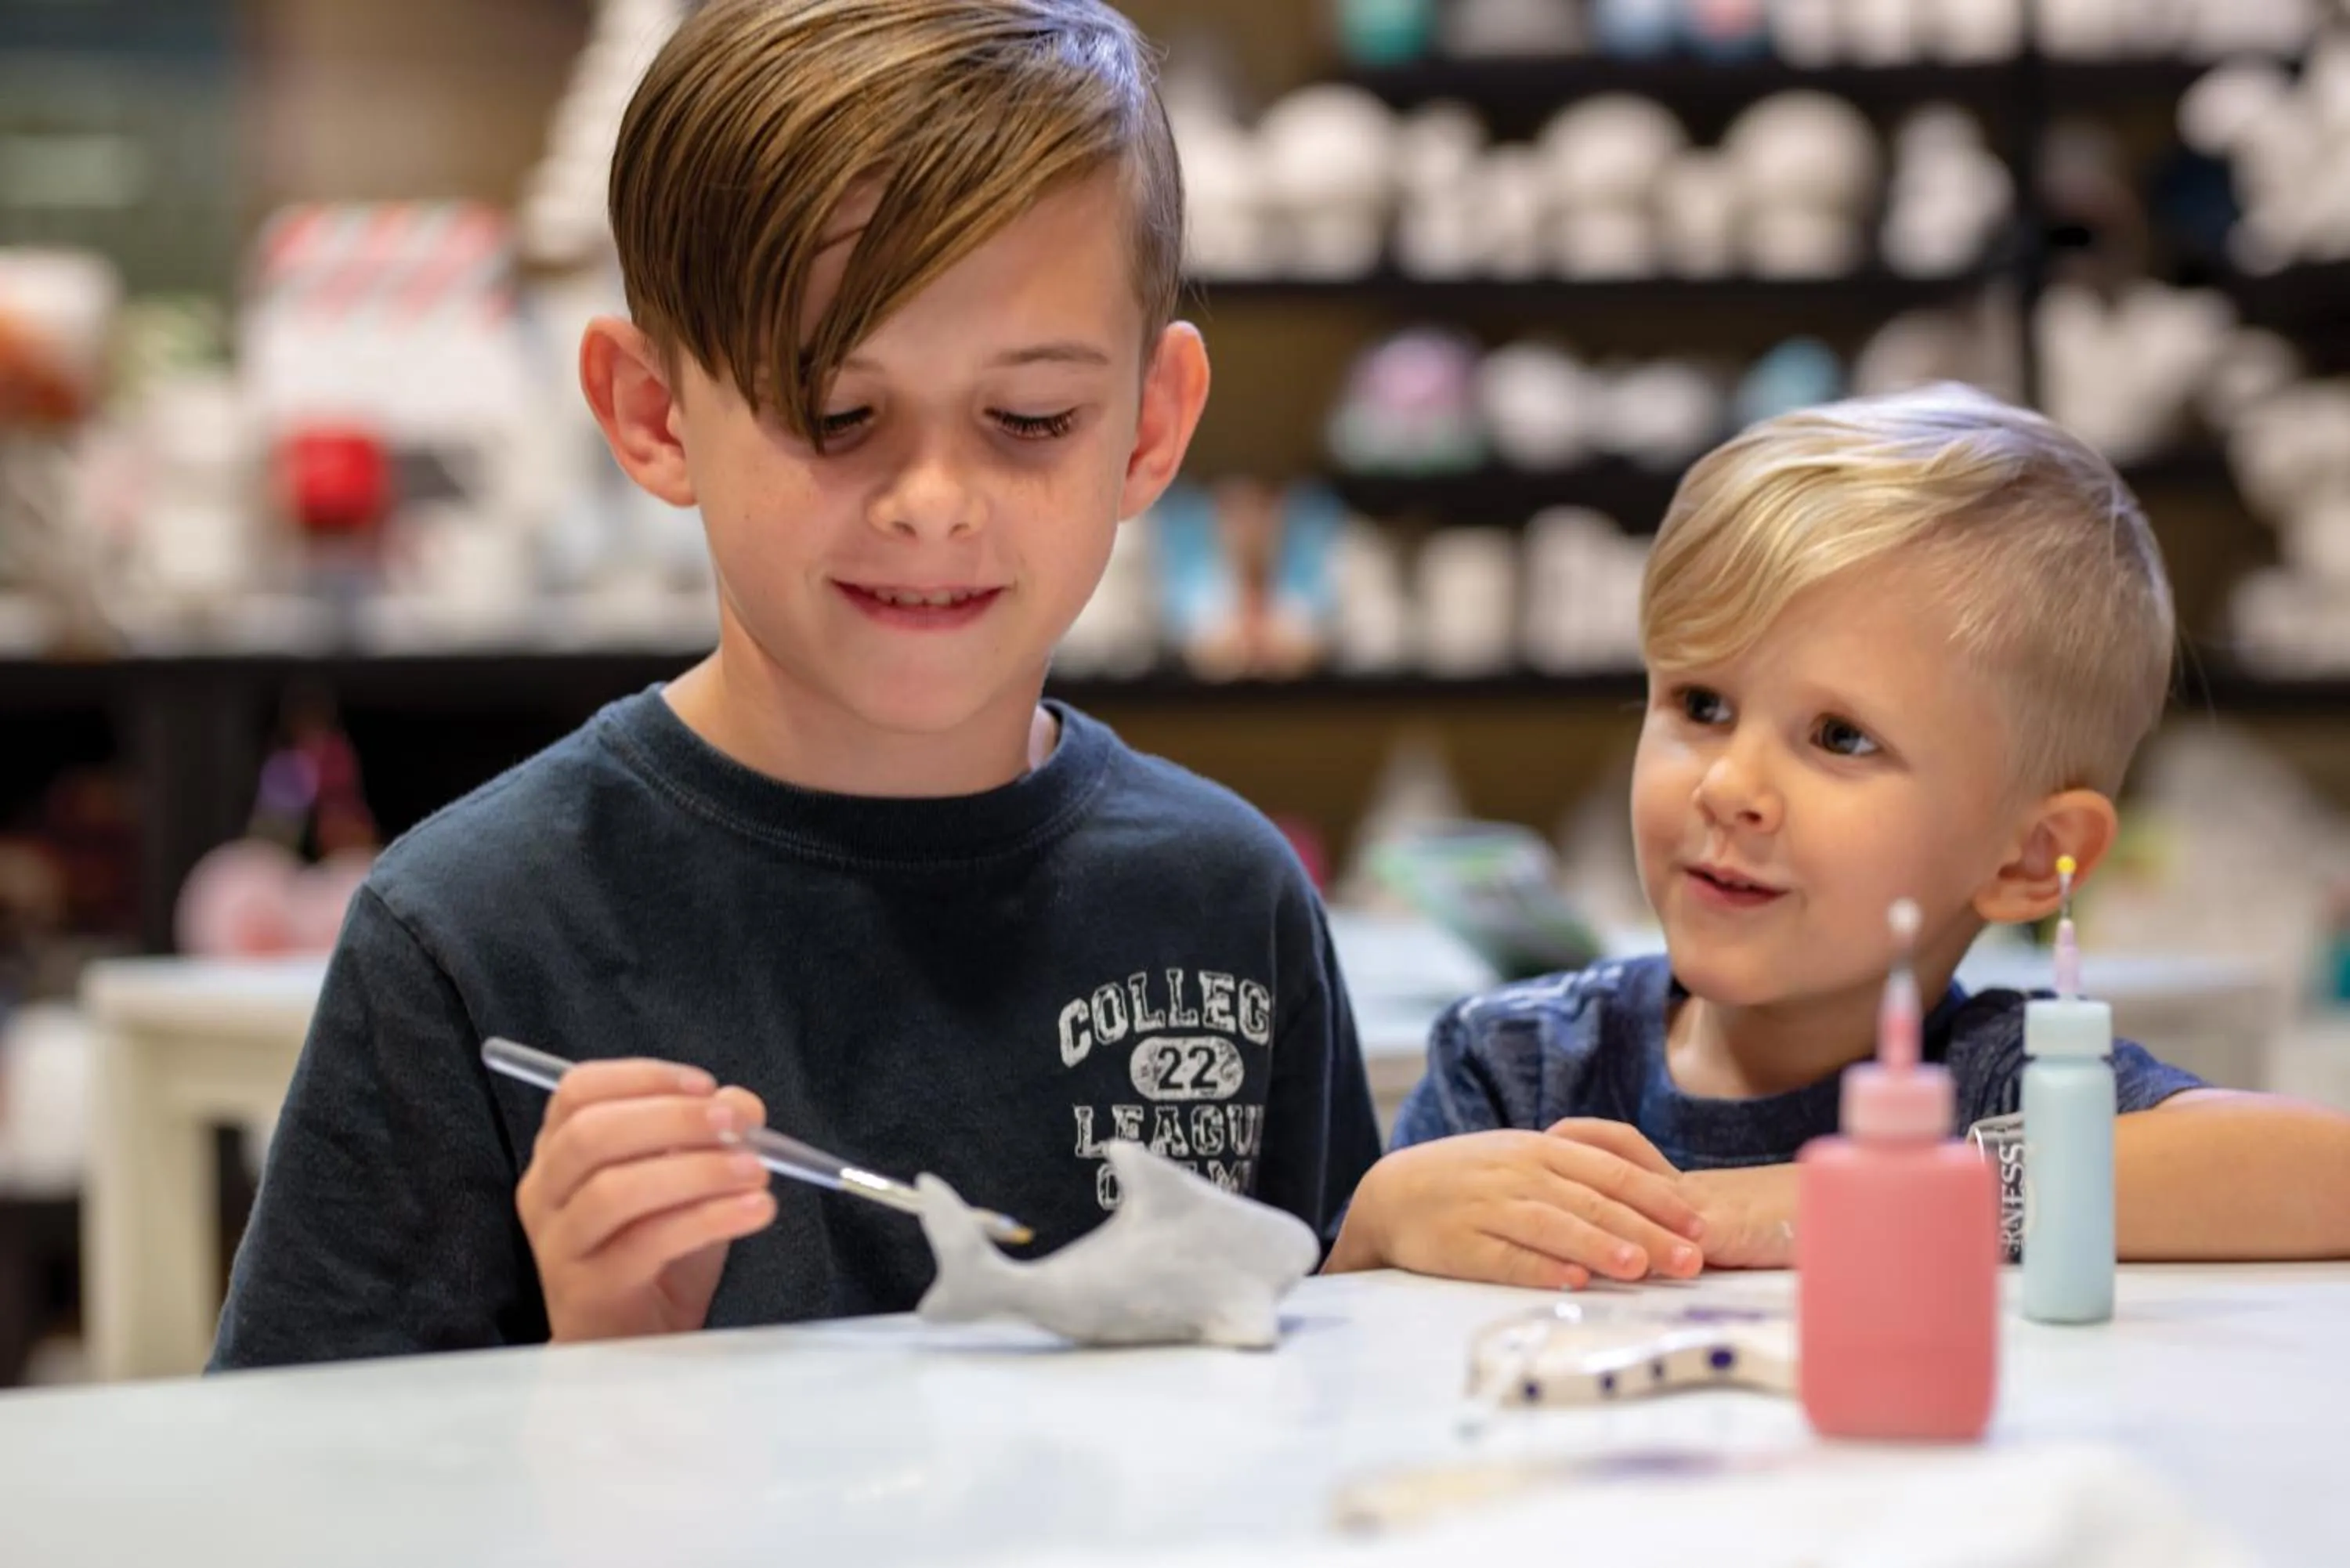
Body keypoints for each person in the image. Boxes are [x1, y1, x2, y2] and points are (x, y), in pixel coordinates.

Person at [213, 0, 1379, 1369]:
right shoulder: (471, 939)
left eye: (1031, 421)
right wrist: (594, 1383)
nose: (935, 503)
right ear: (654, 415)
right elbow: (304, 1494)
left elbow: (1320, 1415)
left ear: (1151, 426)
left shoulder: (1227, 901)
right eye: (836, 415)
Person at [1328, 385, 2350, 1288]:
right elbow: (1347, 1357)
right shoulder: (1521, 1067)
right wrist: (1384, 1217)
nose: (1731, 786)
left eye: (1840, 735)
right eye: (1701, 703)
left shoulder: (2002, 1077)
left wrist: (1788, 1205)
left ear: (2031, 856)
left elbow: (2322, 1175)